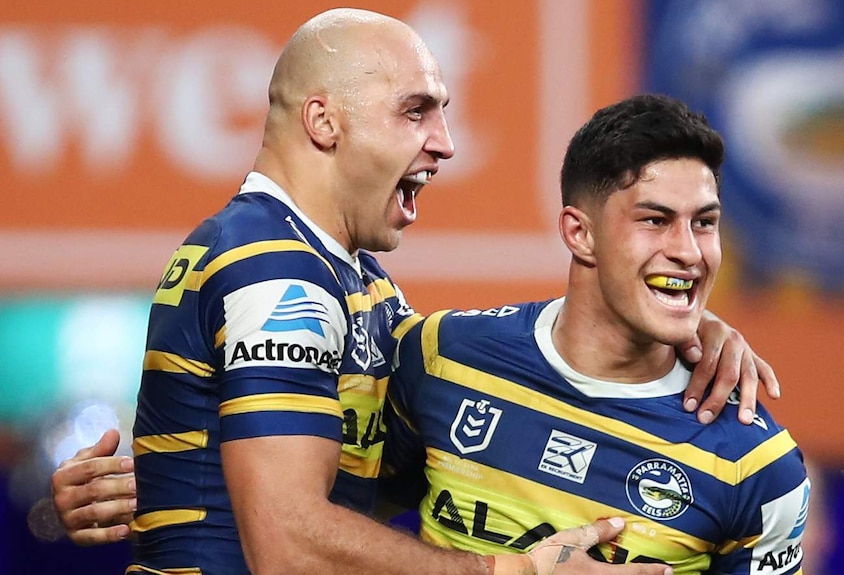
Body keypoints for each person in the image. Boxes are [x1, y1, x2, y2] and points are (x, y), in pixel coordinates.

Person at [48, 9, 779, 575]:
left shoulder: (360, 285)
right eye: (416, 110)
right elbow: (288, 546)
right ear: (324, 122)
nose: (445, 141)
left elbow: (402, 464)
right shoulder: (272, 267)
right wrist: (506, 568)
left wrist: (686, 325)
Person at [382, 94, 809, 574]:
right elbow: (336, 543)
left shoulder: (756, 464)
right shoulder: (444, 357)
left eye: (704, 223)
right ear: (580, 233)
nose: (690, 252)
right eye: (656, 220)